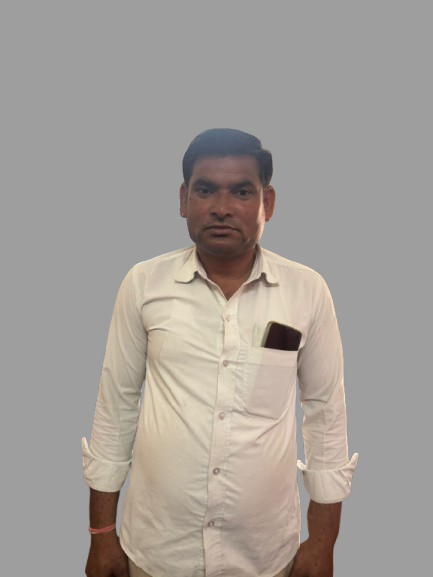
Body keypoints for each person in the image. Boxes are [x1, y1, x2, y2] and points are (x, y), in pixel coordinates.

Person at [82, 128, 359, 577]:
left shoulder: (307, 291)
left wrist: (323, 543)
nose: (222, 207)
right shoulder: (144, 284)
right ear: (183, 199)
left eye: (242, 192)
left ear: (268, 202)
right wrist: (101, 534)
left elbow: (326, 414)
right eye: (205, 189)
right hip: (155, 551)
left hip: (266, 555)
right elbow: (115, 408)